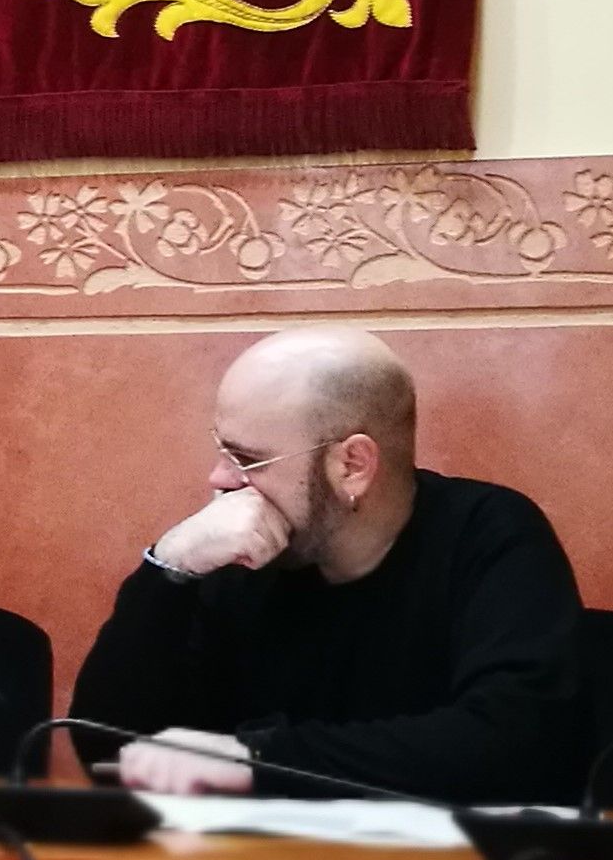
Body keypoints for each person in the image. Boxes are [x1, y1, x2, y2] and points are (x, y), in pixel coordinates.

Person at [71, 328, 586, 803]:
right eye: (222, 450)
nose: (220, 479)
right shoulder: (245, 555)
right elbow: (107, 748)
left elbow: (511, 741)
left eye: (247, 459)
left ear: (352, 465)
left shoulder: (488, 535)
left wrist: (258, 760)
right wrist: (169, 569)